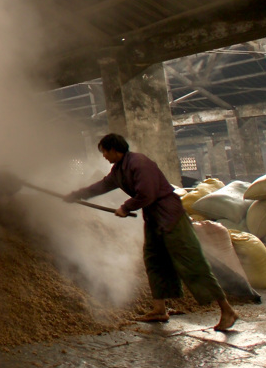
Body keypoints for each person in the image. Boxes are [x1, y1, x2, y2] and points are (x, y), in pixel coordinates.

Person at [65, 133, 238, 332]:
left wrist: (126, 207)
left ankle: (227, 310)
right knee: (154, 260)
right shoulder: (119, 169)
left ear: (114, 149)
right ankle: (159, 309)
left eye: (104, 151)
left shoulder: (139, 163)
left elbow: (147, 193)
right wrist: (76, 195)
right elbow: (103, 185)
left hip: (170, 216)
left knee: (192, 261)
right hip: (154, 219)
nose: (103, 155)